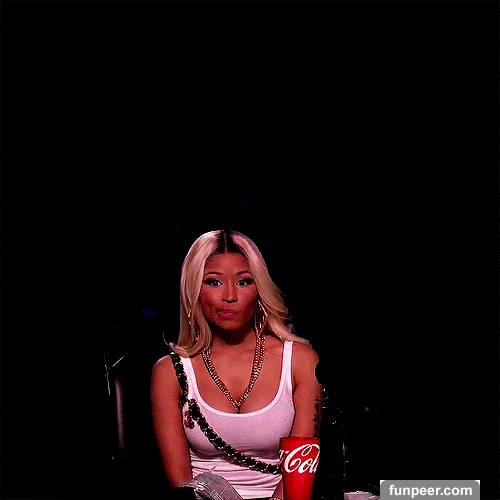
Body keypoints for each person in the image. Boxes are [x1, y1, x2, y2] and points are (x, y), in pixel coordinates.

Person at [151, 230, 322, 500]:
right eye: (213, 282)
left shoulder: (301, 361)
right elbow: (181, 484)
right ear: (194, 289)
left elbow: (299, 477)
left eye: (243, 282)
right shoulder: (169, 372)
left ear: (259, 289)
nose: (229, 295)